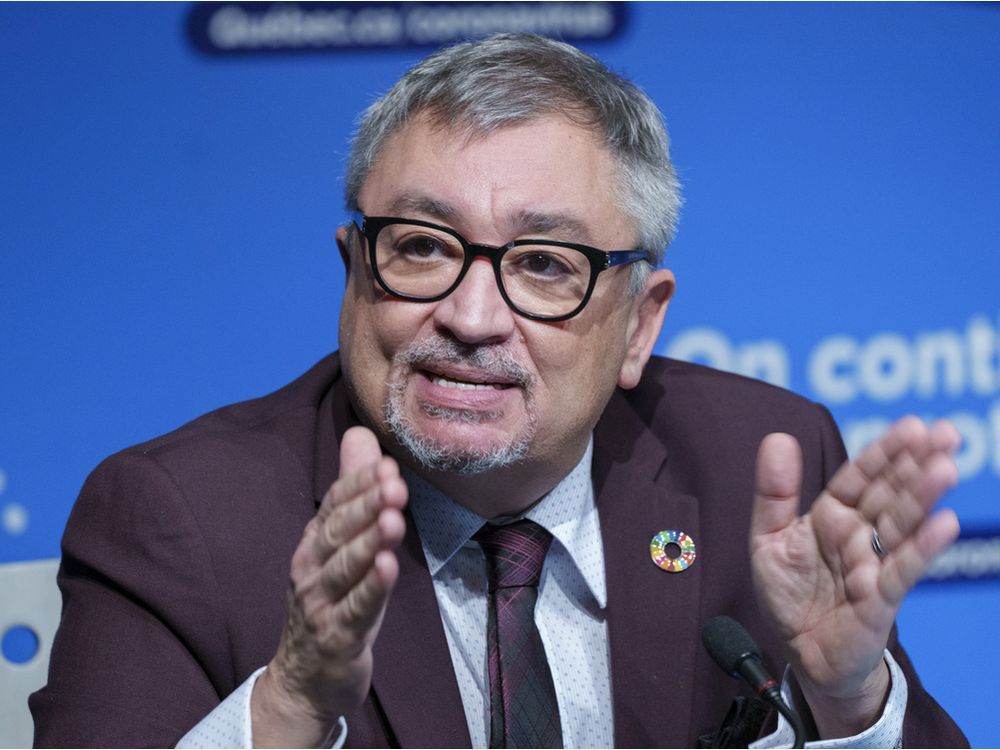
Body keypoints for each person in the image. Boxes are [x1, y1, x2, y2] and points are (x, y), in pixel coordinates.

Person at [32, 34, 967, 748]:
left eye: (546, 265)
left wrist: (851, 705)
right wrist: (287, 710)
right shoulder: (181, 520)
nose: (473, 317)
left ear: (640, 324)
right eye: (423, 247)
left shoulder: (761, 463)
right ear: (355, 269)